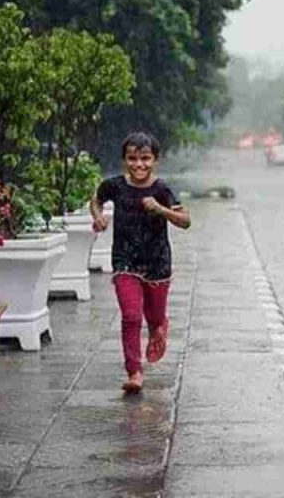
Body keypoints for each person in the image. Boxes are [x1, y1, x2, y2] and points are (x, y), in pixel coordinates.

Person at [90, 131, 191, 393]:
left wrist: (161, 209)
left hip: (157, 264)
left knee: (154, 317)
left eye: (145, 158)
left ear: (155, 160)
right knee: (131, 316)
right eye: (132, 158)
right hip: (125, 262)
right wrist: (98, 217)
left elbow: (186, 221)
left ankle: (159, 326)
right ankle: (134, 371)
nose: (139, 164)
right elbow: (96, 200)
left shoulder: (162, 189)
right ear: (124, 159)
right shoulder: (115, 186)